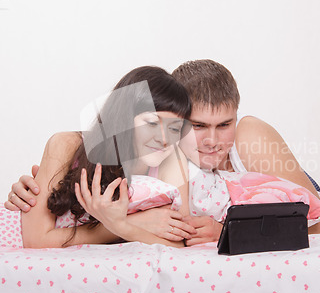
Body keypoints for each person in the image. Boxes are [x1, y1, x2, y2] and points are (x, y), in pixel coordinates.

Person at [7, 60, 320, 245]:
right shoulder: (165, 150)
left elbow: (316, 224)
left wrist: (228, 229)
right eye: (197, 127)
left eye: (224, 124)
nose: (213, 141)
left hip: (266, 185)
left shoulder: (249, 137)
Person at [20, 66, 196, 248]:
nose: (164, 139)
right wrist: (125, 224)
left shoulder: (172, 160)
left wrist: (123, 226)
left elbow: (179, 243)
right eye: (151, 123)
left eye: (174, 128)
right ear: (124, 119)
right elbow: (35, 239)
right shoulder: (66, 144)